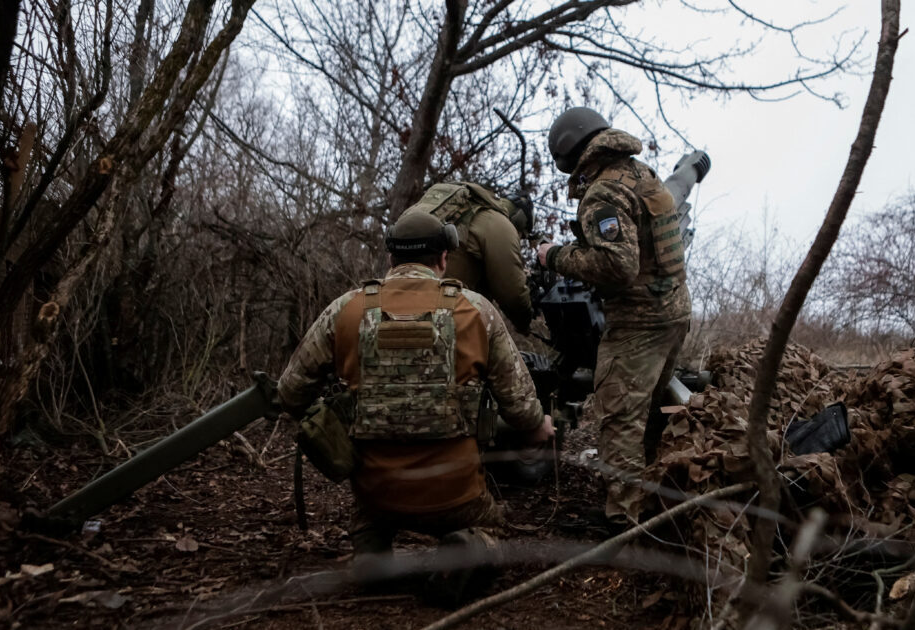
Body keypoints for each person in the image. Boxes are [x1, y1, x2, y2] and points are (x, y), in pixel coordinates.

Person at [277, 211, 554, 603]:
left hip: (377, 492)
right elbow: (522, 410)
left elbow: (289, 394)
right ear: (443, 259)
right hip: (455, 495)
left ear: (391, 260)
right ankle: (468, 548)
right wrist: (539, 425)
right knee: (497, 530)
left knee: (370, 514)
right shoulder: (477, 311)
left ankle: (372, 550)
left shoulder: (346, 310)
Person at [537, 107, 691, 526]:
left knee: (619, 417)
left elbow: (618, 266)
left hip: (638, 322)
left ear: (569, 154)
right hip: (672, 311)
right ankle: (656, 498)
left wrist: (555, 255)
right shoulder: (641, 174)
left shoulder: (603, 193)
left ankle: (625, 520)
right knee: (651, 410)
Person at [400, 182, 535, 333]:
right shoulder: (498, 224)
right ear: (519, 221)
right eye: (522, 236)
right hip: (446, 316)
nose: (520, 239)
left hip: (397, 303)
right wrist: (525, 322)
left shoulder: (463, 210)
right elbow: (512, 293)